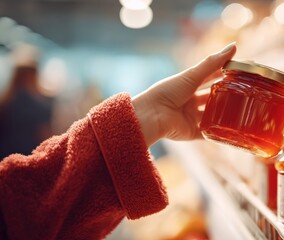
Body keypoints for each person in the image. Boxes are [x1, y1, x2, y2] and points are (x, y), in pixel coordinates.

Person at [0, 42, 237, 239]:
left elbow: (21, 207)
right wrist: (149, 117)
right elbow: (25, 206)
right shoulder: (41, 103)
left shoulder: (5, 101)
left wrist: (152, 116)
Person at [0, 44, 54, 160]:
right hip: (29, 160)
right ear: (34, 75)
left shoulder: (4, 103)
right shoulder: (41, 106)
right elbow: (45, 140)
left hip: (4, 160)